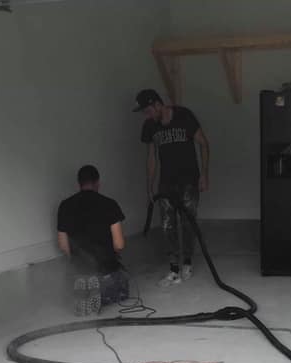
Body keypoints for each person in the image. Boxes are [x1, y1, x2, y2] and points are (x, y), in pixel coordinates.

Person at [134, 88, 210, 287]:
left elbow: (203, 143)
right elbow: (151, 157)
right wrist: (149, 186)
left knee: (187, 222)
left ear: (158, 104)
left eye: (148, 110)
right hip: (166, 182)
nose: (147, 115)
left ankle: (187, 263)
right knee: (167, 225)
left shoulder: (184, 116)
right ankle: (174, 268)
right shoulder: (150, 126)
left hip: (189, 180)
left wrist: (204, 175)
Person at [56, 165, 129, 316]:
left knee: (80, 272)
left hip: (79, 267)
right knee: (121, 286)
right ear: (97, 183)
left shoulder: (65, 206)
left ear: (79, 183)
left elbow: (63, 246)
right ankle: (103, 289)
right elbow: (119, 244)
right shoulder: (109, 204)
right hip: (104, 266)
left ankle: (83, 283)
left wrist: (77, 259)